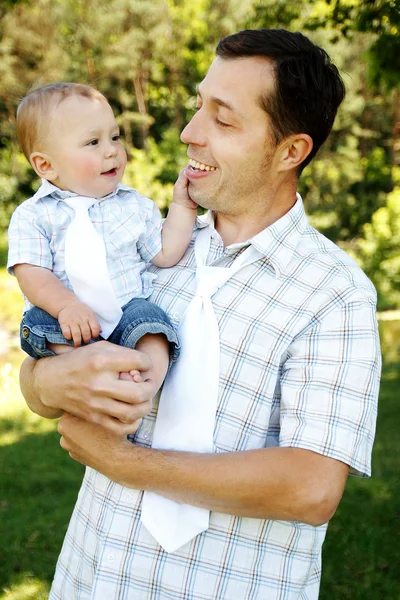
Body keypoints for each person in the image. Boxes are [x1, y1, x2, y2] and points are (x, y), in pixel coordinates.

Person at [20, 29, 381, 600]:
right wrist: (44, 380)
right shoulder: (144, 241)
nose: (190, 133)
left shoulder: (335, 294)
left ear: (291, 151)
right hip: (90, 577)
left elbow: (310, 489)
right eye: (197, 107)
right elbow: (49, 367)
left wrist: (128, 463)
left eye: (224, 119)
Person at [8, 82, 197, 397]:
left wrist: (182, 206)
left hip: (125, 311)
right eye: (93, 142)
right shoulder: (33, 216)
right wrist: (67, 306)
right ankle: (90, 373)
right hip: (66, 320)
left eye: (114, 137)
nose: (111, 150)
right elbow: (32, 274)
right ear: (46, 165)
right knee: (39, 323)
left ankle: (143, 382)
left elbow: (165, 253)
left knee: (153, 326)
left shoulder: (133, 205)